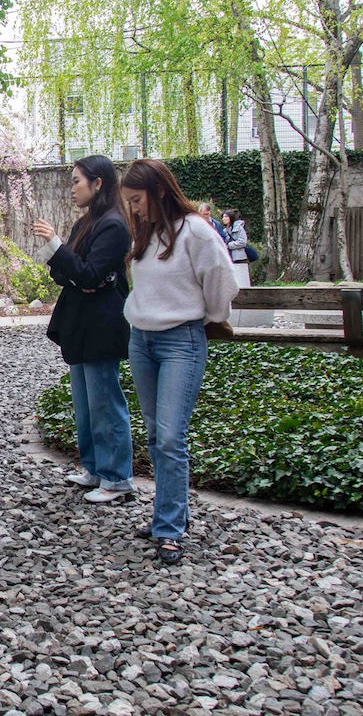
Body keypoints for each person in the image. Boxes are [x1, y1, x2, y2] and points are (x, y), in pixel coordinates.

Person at [121, 159, 238, 564]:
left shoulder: (197, 232)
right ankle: (168, 517)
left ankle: (169, 529)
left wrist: (202, 318)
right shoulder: (148, 233)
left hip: (181, 342)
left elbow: (223, 287)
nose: (134, 208)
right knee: (156, 435)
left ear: (158, 191)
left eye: (137, 200)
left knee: (171, 437)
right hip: (142, 341)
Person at [32, 155, 134, 504]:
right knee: (86, 403)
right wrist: (75, 267)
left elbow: (87, 274)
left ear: (98, 183)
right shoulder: (85, 224)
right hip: (81, 322)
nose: (71, 188)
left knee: (105, 402)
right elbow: (64, 274)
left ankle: (118, 478)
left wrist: (65, 255)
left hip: (102, 325)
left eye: (77, 181)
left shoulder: (114, 226)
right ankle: (95, 468)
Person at [222, 209, 252, 288]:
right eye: (223, 217)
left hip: (239, 256)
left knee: (242, 279)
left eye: (226, 217)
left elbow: (242, 242)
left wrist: (229, 245)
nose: (224, 219)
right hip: (230, 257)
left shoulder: (239, 228)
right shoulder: (225, 231)